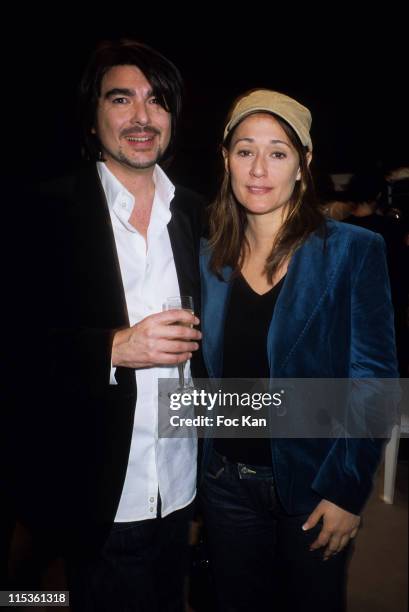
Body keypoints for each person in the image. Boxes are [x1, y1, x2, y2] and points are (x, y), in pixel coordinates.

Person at [7, 39, 205, 611]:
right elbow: (16, 347)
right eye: (122, 99)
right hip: (99, 492)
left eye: (157, 101)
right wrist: (112, 347)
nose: (142, 116)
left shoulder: (193, 212)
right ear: (93, 117)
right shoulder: (43, 211)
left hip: (181, 484)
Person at [199, 89, 398, 611]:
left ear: (304, 165)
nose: (259, 168)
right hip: (224, 485)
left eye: (278, 152)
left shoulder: (353, 251)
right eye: (245, 150)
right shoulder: (205, 257)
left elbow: (374, 381)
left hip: (314, 488)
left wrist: (347, 490)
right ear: (226, 160)